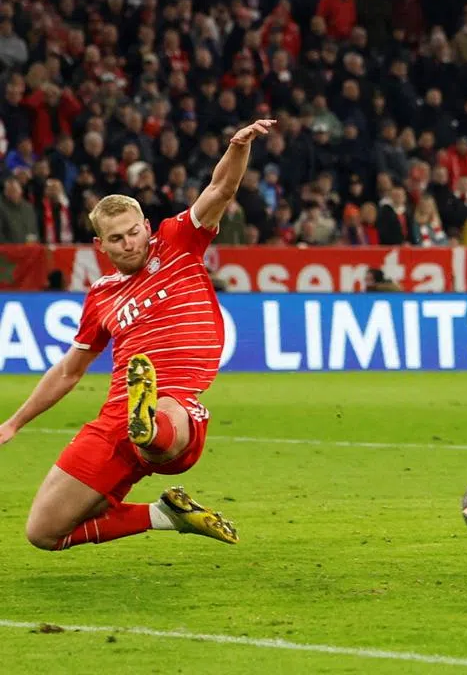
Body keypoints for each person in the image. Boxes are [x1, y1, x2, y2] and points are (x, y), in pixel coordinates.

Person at [0, 119, 277, 551]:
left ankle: (147, 427)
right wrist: (14, 422)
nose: (130, 243)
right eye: (117, 239)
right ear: (101, 245)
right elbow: (69, 372)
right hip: (114, 417)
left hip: (176, 402)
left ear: (146, 225)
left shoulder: (178, 241)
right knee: (44, 532)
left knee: (162, 427)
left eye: (134, 231)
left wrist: (237, 146)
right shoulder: (101, 297)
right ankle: (164, 513)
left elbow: (220, 189)